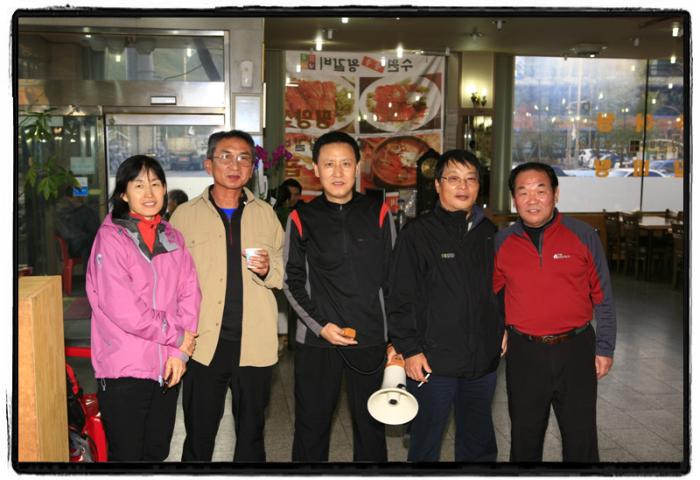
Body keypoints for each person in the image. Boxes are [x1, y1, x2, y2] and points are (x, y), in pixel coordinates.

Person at [170, 130, 284, 462]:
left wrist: (268, 269)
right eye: (225, 156)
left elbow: (283, 268)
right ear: (209, 165)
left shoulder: (265, 213)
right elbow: (170, 281)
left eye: (243, 158)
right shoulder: (184, 216)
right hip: (204, 343)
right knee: (199, 434)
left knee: (251, 435)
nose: (235, 165)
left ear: (252, 168)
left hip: (255, 343)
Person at [283, 130, 395, 462]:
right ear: (316, 169)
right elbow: (291, 280)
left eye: (345, 163)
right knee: (311, 427)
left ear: (357, 167)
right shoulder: (301, 217)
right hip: (318, 341)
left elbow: (394, 279)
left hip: (370, 338)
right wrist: (321, 327)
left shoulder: (378, 212)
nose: (337, 172)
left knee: (371, 427)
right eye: (329, 164)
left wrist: (397, 339)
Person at [493, 162, 616, 462]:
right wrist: (499, 328)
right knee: (524, 440)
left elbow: (603, 296)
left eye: (541, 190)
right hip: (525, 353)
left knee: (581, 439)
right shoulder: (502, 242)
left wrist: (605, 347)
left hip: (576, 350)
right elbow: (493, 294)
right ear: (514, 199)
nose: (532, 200)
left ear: (555, 194)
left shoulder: (582, 235)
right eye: (523, 192)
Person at [386, 149, 504, 462]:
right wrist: (410, 349)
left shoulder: (489, 233)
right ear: (438, 184)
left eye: (470, 179)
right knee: (425, 445)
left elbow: (501, 288)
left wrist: (504, 326)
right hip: (432, 364)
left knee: (479, 446)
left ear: (479, 186)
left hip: (481, 362)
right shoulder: (417, 234)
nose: (463, 186)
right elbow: (399, 297)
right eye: (453, 179)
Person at [86, 155, 200, 461]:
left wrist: (179, 353)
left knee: (157, 452)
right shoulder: (111, 239)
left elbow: (190, 294)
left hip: (167, 366)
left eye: (156, 184)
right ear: (124, 194)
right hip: (124, 368)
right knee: (127, 456)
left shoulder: (172, 237)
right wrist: (177, 337)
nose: (149, 193)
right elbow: (123, 308)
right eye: (139, 185)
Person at [55, 188, 101, 264]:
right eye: (78, 196)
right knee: (90, 244)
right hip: (74, 245)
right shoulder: (64, 212)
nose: (81, 198)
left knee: (92, 243)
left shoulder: (80, 210)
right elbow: (69, 234)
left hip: (81, 242)